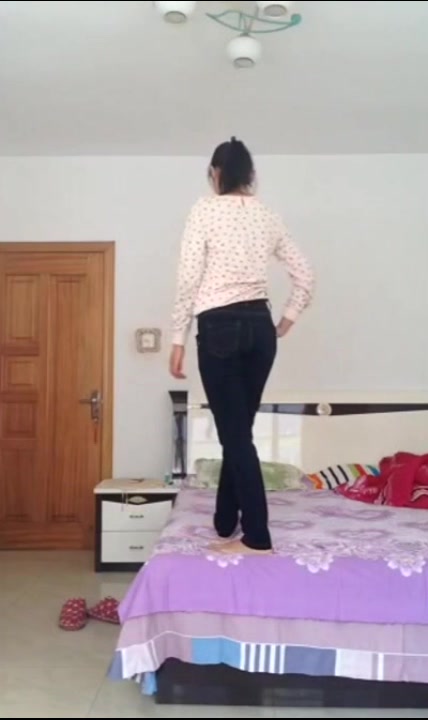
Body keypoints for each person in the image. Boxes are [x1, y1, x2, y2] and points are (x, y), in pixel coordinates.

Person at [169, 137, 314, 555]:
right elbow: (306, 275)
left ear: (215, 173)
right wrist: (285, 319)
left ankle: (257, 537)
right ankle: (224, 520)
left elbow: (188, 276)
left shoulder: (205, 209)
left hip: (219, 327)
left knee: (235, 435)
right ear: (250, 175)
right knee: (239, 431)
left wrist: (177, 336)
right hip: (260, 329)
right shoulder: (268, 215)